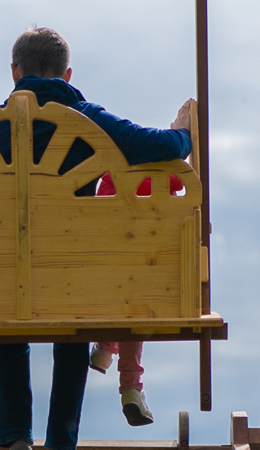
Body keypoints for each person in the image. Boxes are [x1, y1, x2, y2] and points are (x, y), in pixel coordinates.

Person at [0, 27, 193, 450]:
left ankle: (15, 434)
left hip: (3, 269)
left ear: (14, 72)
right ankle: (61, 440)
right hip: (71, 272)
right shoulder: (85, 116)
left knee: (8, 307)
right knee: (74, 315)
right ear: (67, 75)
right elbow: (160, 146)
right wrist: (184, 132)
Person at [89, 174, 184, 427]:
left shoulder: (109, 177)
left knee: (116, 292)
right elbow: (181, 183)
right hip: (150, 274)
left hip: (102, 276)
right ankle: (131, 388)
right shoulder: (165, 177)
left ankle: (105, 348)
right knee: (136, 306)